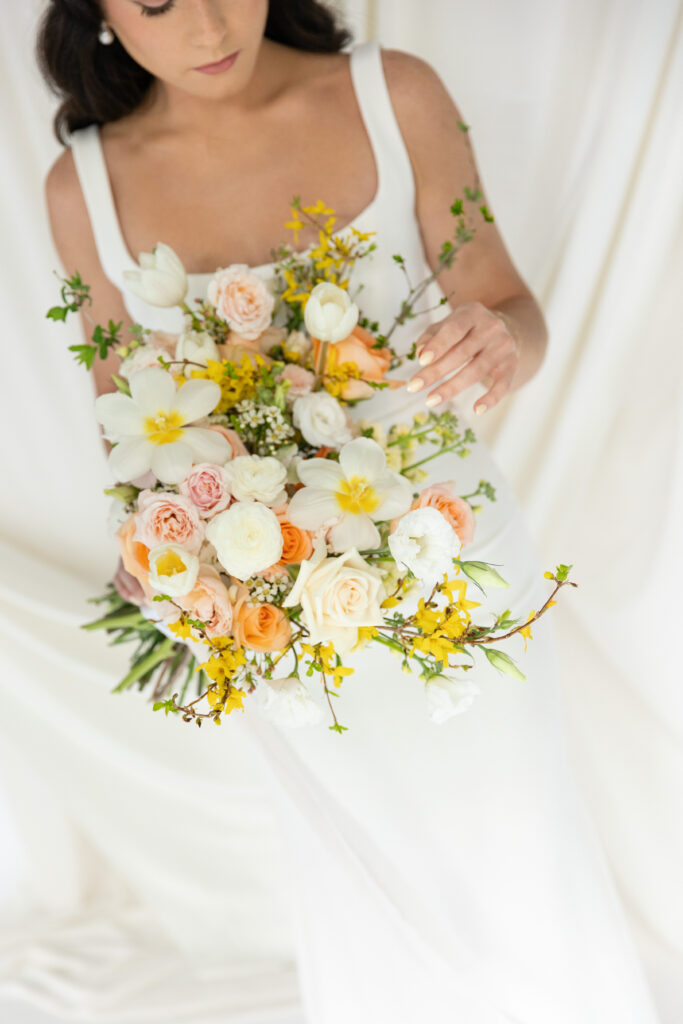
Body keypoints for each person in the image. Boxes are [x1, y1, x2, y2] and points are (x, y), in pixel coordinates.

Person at [38, 3, 661, 1023]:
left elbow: (509, 308)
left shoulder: (391, 92)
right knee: (361, 885)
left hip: (449, 554)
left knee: (515, 853)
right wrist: (156, 554)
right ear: (97, 17)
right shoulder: (85, 188)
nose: (203, 25)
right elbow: (131, 423)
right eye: (154, 3)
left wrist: (496, 342)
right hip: (268, 605)